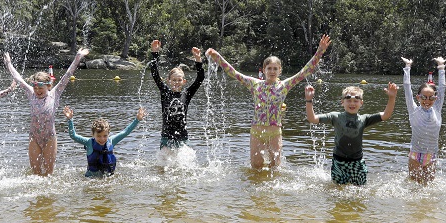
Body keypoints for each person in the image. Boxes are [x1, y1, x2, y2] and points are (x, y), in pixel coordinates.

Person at [205, 34, 331, 169]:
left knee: (274, 168)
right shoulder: (254, 84)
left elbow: (305, 71)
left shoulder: (284, 86)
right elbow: (233, 72)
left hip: (275, 132)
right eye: (269, 68)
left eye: (275, 68)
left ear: (280, 71)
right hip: (256, 131)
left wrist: (320, 51)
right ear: (263, 70)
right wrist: (217, 57)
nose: (272, 71)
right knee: (256, 166)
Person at [4, 48, 88, 176]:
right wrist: (9, 64)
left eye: (40, 88)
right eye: (35, 87)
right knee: (35, 174)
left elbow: (67, 75)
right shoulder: (31, 93)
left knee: (48, 174)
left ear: (48, 86)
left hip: (50, 138)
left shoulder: (55, 93)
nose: (37, 90)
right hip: (34, 137)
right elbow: (18, 78)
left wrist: (78, 57)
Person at [305, 82, 398, 185]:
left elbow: (386, 115)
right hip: (339, 161)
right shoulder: (335, 117)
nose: (352, 104)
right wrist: (309, 100)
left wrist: (392, 97)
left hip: (357, 161)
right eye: (348, 100)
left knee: (360, 189)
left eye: (355, 101)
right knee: (337, 191)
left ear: (361, 103)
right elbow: (312, 119)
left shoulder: (364, 119)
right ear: (342, 102)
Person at [150, 40, 205, 150]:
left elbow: (200, 78)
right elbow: (155, 74)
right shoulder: (165, 92)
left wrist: (198, 60)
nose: (176, 82)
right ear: (169, 80)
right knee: (165, 166)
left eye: (179, 80)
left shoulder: (187, 94)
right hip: (166, 137)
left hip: (182, 138)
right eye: (174, 80)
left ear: (184, 81)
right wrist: (155, 53)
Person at [63, 106, 147, 177]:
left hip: (109, 177)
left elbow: (125, 132)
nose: (102, 139)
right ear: (93, 134)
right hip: (91, 178)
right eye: (99, 136)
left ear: (108, 134)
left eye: (105, 136)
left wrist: (137, 120)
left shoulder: (111, 141)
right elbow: (73, 136)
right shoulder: (89, 142)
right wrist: (70, 120)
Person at [401, 56, 446, 185]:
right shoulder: (413, 109)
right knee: (414, 188)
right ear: (418, 97)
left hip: (431, 155)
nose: (427, 101)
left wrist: (441, 67)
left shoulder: (437, 109)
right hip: (415, 154)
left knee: (428, 189)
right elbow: (407, 88)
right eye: (424, 97)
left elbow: (442, 88)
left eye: (431, 98)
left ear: (435, 98)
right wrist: (407, 67)